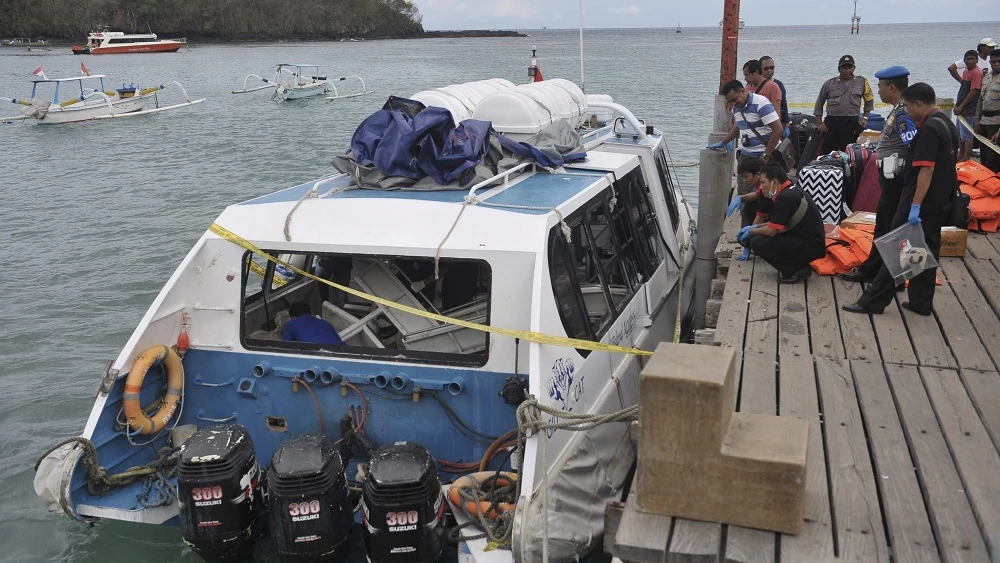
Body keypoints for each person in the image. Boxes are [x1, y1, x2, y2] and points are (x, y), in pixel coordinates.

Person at [843, 83, 960, 316]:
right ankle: (921, 301)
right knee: (926, 249)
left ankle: (873, 301)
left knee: (897, 249)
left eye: (907, 105)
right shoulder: (947, 123)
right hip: (940, 199)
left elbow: (925, 171)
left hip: (920, 198)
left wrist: (915, 206)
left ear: (918, 103)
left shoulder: (927, 129)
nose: (906, 110)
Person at [841, 65, 917, 283]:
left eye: (881, 86)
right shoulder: (898, 110)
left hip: (897, 179)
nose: (878, 90)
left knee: (894, 227)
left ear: (892, 87)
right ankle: (875, 270)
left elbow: (912, 146)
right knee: (884, 225)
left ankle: (896, 275)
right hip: (891, 178)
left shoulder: (903, 113)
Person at [737, 164, 827, 284]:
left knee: (757, 242)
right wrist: (756, 227)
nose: (761, 187)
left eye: (763, 183)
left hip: (810, 246)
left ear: (774, 182)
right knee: (753, 237)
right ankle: (797, 263)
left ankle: (796, 270)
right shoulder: (789, 189)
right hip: (805, 240)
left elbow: (771, 231)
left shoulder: (785, 198)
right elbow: (775, 224)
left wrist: (750, 230)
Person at [708, 80, 784, 189]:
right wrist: (723, 142)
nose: (733, 104)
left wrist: (766, 155)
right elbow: (739, 126)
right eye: (730, 102)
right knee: (744, 190)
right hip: (747, 155)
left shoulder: (761, 103)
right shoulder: (736, 108)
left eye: (735, 99)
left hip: (766, 156)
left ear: (743, 91)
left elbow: (778, 130)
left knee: (770, 191)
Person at [814, 55, 875, 153]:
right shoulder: (829, 83)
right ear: (839, 69)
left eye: (849, 68)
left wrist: (865, 118)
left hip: (851, 123)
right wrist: (819, 123)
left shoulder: (862, 82)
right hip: (832, 123)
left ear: (854, 68)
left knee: (849, 153)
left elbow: (869, 100)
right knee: (828, 152)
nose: (847, 71)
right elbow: (819, 102)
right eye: (844, 68)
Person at [954, 50, 984, 162]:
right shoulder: (966, 71)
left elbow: (973, 92)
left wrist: (961, 106)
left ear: (977, 60)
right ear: (964, 60)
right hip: (961, 107)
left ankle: (966, 158)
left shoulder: (976, 72)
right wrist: (957, 105)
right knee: (960, 134)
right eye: (968, 59)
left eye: (972, 59)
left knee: (967, 135)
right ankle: (960, 155)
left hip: (969, 108)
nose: (970, 61)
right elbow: (963, 90)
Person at [976, 48, 1000, 172]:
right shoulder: (987, 77)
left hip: (997, 124)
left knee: (995, 160)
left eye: (999, 62)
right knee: (984, 158)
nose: (996, 64)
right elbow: (981, 100)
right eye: (993, 62)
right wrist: (977, 121)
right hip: (985, 122)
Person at [760, 56, 791, 136]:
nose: (769, 70)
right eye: (766, 68)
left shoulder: (779, 84)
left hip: (775, 123)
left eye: (772, 68)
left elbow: (784, 105)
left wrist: (786, 124)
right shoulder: (753, 85)